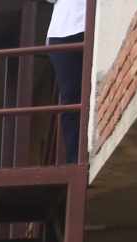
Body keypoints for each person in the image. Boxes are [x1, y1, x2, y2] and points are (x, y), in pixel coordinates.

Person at [47, 0, 86, 163]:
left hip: (92, 23)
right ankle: (74, 157)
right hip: (61, 32)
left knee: (90, 89)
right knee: (70, 95)